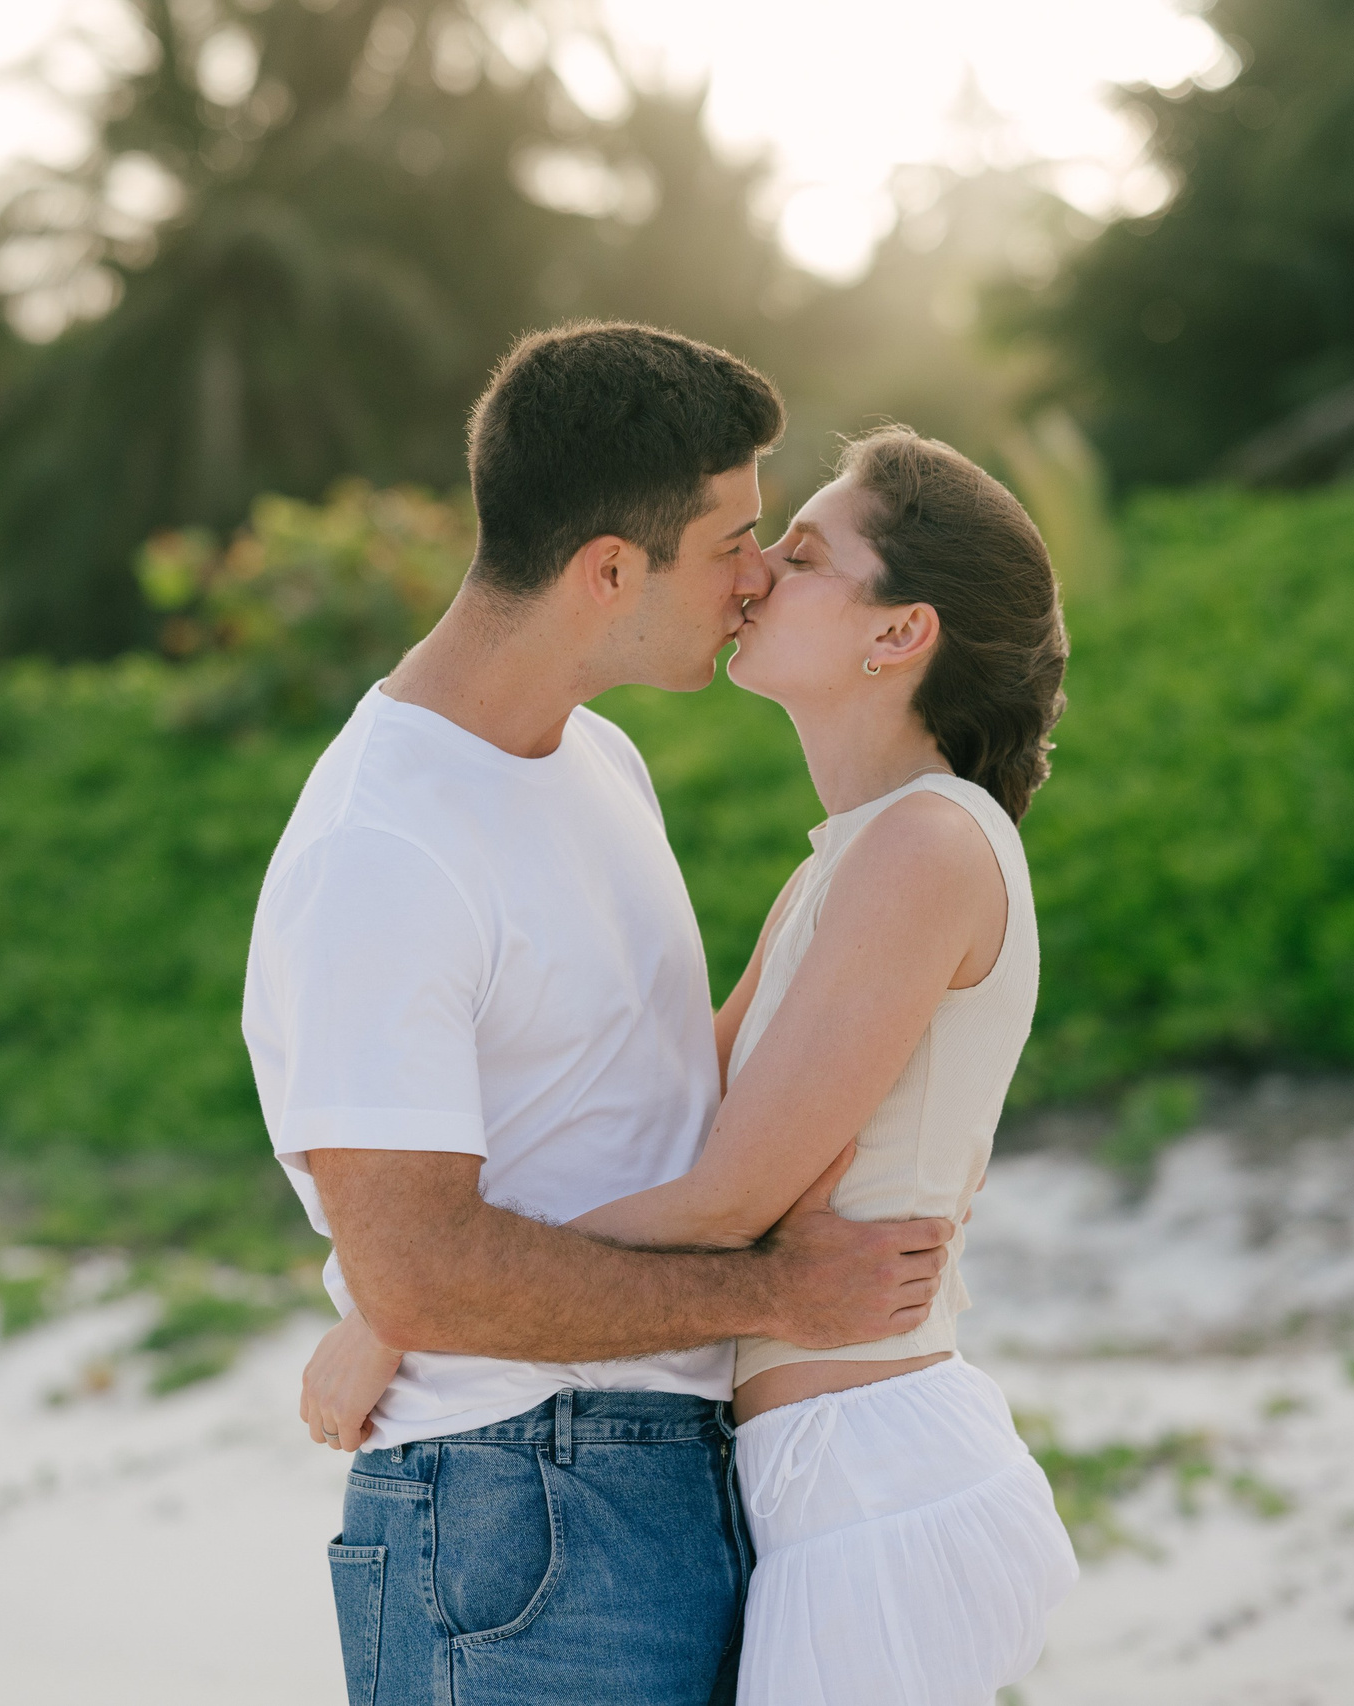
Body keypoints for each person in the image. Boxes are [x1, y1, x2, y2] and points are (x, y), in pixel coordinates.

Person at [300, 425, 1081, 1704]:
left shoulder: (925, 848)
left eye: (808, 552)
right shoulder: (848, 858)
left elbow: (724, 1196)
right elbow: (677, 1107)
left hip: (871, 1480)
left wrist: (397, 1308)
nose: (758, 571)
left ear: (899, 634)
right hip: (815, 1477)